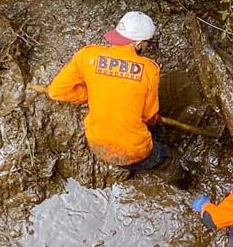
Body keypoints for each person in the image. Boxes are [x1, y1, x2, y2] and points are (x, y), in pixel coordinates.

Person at [46, 11, 179, 177]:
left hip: (96, 144)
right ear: (138, 43)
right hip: (134, 151)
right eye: (146, 43)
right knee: (168, 158)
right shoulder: (149, 70)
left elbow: (56, 91)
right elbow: (149, 117)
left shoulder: (87, 55)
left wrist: (90, 95)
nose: (146, 47)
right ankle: (184, 182)